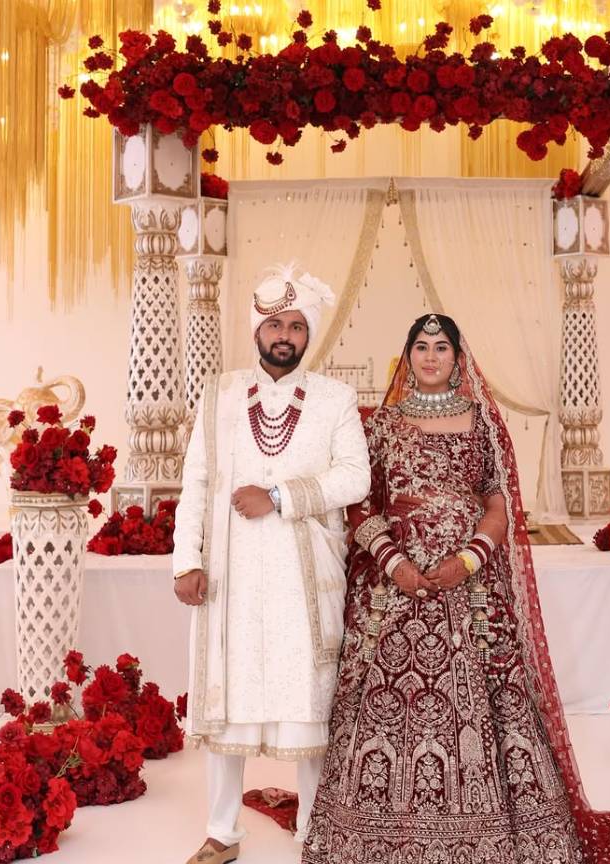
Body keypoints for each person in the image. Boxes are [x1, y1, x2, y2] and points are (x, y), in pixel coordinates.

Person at [302, 314, 610, 864]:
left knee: (490, 691)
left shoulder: (482, 422)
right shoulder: (381, 424)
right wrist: (394, 563)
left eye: (441, 347)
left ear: (458, 358)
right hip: (395, 587)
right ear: (408, 356)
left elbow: (499, 504)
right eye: (421, 347)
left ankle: (493, 825)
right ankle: (373, 831)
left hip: (469, 587)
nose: (431, 356)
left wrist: (468, 559)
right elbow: (360, 505)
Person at [172, 263, 371, 864]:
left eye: (296, 326)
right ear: (257, 331)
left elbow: (355, 478)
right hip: (230, 574)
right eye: (275, 325)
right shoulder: (220, 394)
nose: (285, 335)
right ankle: (222, 832)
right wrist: (186, 559)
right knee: (225, 696)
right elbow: (196, 482)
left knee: (307, 698)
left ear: (309, 334)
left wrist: (279, 497)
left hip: (302, 575)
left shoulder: (335, 398)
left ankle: (314, 830)